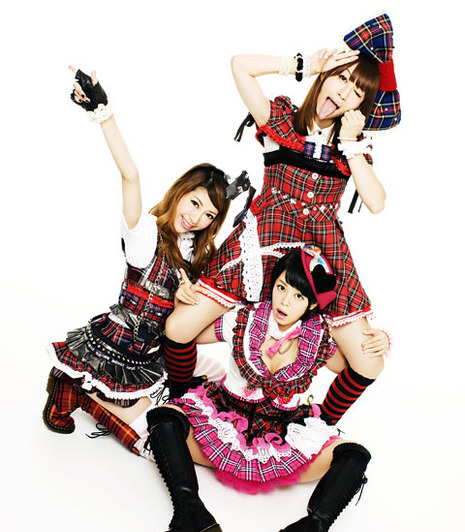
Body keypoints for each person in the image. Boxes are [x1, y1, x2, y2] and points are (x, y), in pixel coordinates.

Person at [162, 14, 400, 425]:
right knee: (178, 329)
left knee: (368, 362)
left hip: (321, 258)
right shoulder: (283, 121)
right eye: (341, 79)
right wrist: (302, 64)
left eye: (357, 92)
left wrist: (350, 144)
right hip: (262, 244)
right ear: (326, 76)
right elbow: (240, 65)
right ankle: (180, 402)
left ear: (360, 107)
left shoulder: (352, 147)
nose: (344, 93)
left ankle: (313, 426)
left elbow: (376, 202)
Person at [42, 68, 249, 455]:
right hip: (116, 348)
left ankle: (115, 398)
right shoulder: (145, 235)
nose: (197, 217)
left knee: (215, 377)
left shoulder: (196, 252)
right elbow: (130, 175)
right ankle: (75, 390)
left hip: (152, 353)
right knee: (148, 442)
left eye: (208, 214)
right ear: (180, 192)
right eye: (194, 203)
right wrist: (103, 112)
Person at [144, 249, 372, 532]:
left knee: (354, 454)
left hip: (282, 444)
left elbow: (356, 369)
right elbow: (184, 334)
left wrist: (376, 339)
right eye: (281, 287)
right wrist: (183, 302)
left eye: (298, 296)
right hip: (220, 431)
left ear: (312, 304)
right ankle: (189, 513)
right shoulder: (244, 319)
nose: (285, 301)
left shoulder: (318, 341)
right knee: (163, 417)